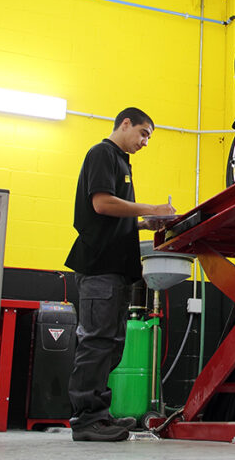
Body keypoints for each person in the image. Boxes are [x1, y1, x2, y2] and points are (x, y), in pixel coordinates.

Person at [65, 107, 175, 442]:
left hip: (114, 269)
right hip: (99, 267)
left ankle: (99, 413)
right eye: (143, 133)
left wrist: (143, 223)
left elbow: (112, 216)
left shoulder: (121, 162)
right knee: (97, 342)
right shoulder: (103, 154)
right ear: (125, 124)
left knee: (111, 345)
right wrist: (151, 209)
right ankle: (87, 420)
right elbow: (101, 204)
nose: (145, 142)